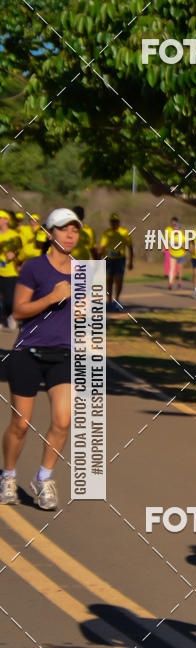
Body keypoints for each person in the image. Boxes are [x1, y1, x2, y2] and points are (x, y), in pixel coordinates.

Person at [0, 208, 81, 510]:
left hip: (64, 355)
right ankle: (8, 475)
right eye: (63, 229)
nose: (70, 235)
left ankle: (43, 478)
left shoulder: (85, 271)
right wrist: (51, 297)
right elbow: (18, 311)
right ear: (50, 233)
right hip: (27, 353)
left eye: (75, 230)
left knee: (63, 420)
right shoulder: (34, 268)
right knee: (21, 424)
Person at [100, 213, 133, 310]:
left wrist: (131, 261)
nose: (114, 223)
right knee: (109, 280)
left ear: (118, 222)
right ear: (110, 222)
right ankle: (109, 301)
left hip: (120, 260)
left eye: (116, 221)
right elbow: (102, 247)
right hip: (109, 259)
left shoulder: (124, 232)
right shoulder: (107, 232)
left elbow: (130, 247)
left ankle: (117, 300)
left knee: (119, 280)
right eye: (112, 221)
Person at [0, 209, 24, 329]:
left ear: (6, 220)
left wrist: (14, 254)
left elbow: (22, 251)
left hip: (10, 272)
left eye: (0, 218)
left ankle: (10, 315)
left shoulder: (14, 235)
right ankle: (1, 320)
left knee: (9, 300)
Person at [166, 217, 186, 290]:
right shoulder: (170, 235)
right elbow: (168, 243)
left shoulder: (183, 236)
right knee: (172, 268)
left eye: (177, 227)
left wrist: (179, 244)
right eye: (174, 227)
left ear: (179, 228)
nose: (175, 228)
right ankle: (170, 283)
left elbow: (185, 247)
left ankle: (179, 282)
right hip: (173, 254)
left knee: (179, 270)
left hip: (181, 254)